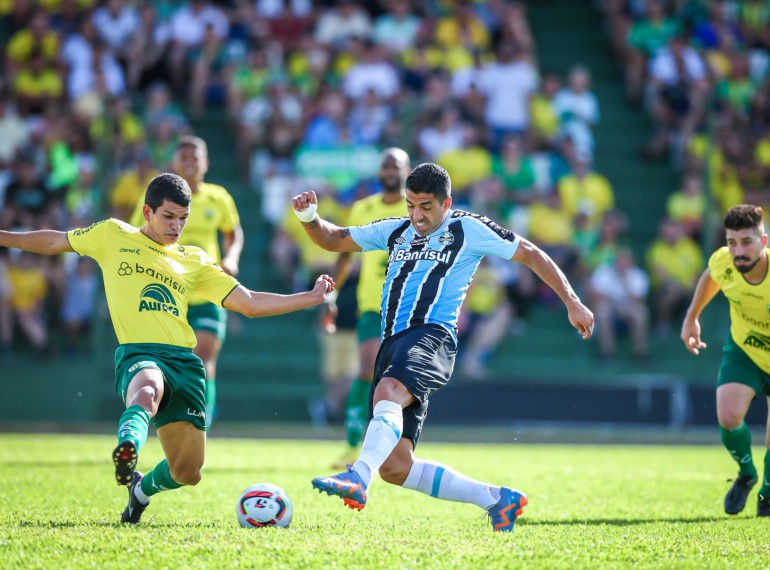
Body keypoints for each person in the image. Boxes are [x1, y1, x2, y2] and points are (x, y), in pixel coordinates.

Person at [0, 173, 334, 525]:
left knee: (188, 471)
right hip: (140, 352)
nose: (177, 226)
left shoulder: (194, 259)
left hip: (185, 364)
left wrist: (310, 297)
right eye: (169, 216)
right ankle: (127, 448)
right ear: (147, 211)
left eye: (183, 219)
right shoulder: (113, 235)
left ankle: (140, 491)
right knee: (147, 388)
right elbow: (55, 242)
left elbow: (249, 303)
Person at [292, 162, 594, 532]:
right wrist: (309, 217)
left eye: (426, 207)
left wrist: (572, 302)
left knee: (387, 391)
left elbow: (530, 252)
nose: (416, 215)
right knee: (396, 466)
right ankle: (498, 499)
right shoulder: (395, 231)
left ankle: (357, 476)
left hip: (431, 336)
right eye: (410, 205)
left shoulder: (467, 228)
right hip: (393, 343)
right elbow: (333, 238)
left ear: (446, 203)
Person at [681, 204, 770, 519]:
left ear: (764, 242)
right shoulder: (724, 261)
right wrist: (692, 317)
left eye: (747, 241)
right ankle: (747, 474)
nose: (738, 251)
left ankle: (768, 495)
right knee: (729, 416)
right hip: (744, 352)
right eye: (732, 242)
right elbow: (711, 276)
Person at [130, 136, 243, 426]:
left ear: (206, 163)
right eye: (184, 158)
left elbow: (234, 232)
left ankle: (201, 423)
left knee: (203, 361)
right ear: (174, 163)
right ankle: (170, 420)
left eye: (196, 157)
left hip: (207, 292)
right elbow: (135, 234)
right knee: (167, 363)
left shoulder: (218, 197)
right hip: (167, 293)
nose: (190, 163)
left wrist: (231, 258)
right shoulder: (156, 198)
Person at [327, 147, 411, 468]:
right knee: (367, 370)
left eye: (396, 165)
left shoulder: (416, 210)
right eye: (385, 165)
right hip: (372, 307)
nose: (390, 170)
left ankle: (394, 444)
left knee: (401, 379)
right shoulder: (362, 209)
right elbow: (345, 253)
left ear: (407, 171)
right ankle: (352, 443)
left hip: (407, 308)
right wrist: (331, 296)